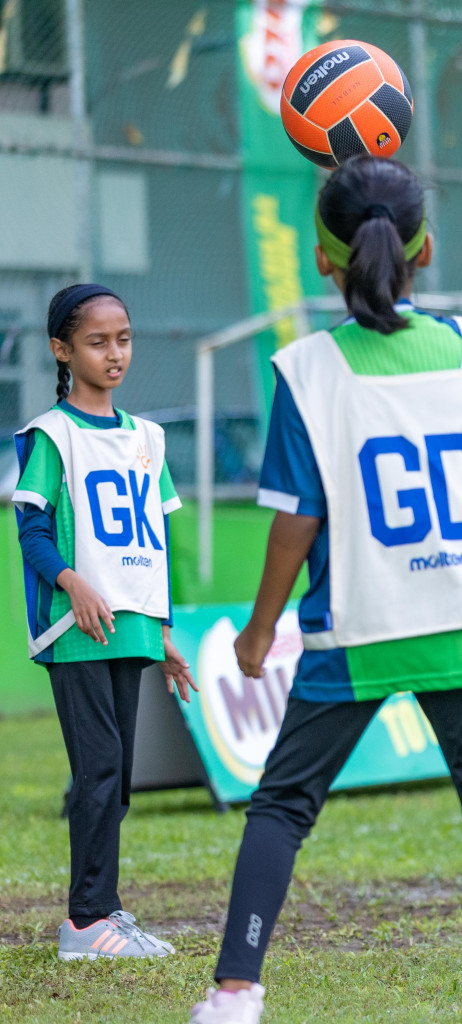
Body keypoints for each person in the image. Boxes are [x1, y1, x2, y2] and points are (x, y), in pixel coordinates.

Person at [189, 158, 462, 1024]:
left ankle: (236, 993)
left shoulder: (307, 370)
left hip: (362, 625)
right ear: (427, 247)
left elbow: (295, 522)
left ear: (321, 259)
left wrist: (259, 629)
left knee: (283, 805)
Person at [12, 284, 197, 962]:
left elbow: (156, 543)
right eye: (97, 341)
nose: (114, 353)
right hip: (79, 626)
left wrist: (166, 632)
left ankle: (105, 912)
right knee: (96, 771)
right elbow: (30, 530)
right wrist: (72, 582)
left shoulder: (148, 437)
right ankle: (86, 922)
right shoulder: (52, 436)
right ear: (62, 349)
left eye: (122, 338)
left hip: (134, 626)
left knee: (116, 776)